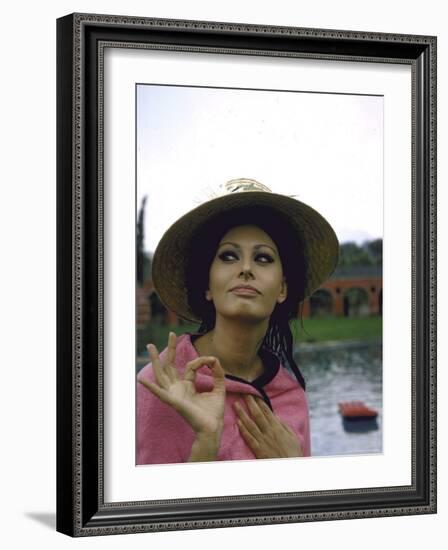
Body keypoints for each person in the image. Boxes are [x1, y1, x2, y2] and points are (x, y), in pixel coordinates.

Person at [137, 178, 339, 464]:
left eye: (264, 258)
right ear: (207, 285)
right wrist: (206, 443)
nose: (245, 269)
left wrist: (294, 467)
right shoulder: (160, 386)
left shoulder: (292, 397)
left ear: (282, 289)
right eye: (229, 256)